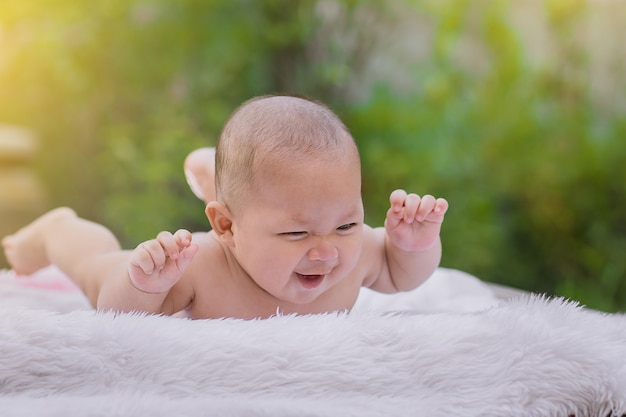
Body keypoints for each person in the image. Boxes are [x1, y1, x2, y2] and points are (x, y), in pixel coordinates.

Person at [2, 95, 448, 319]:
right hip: (150, 257)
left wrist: (413, 245)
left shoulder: (357, 253)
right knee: (96, 264)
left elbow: (401, 276)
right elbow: (121, 313)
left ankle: (210, 171)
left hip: (248, 209)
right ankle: (56, 229)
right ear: (224, 226)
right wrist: (143, 282)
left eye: (348, 223)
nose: (327, 250)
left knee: (267, 198)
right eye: (297, 234)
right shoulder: (202, 264)